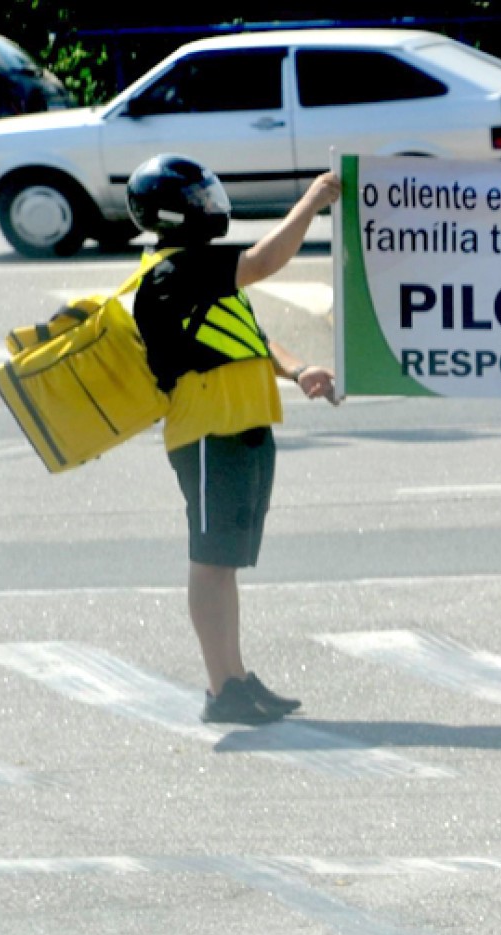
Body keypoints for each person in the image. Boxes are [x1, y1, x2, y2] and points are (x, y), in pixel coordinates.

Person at [127, 155, 342, 725]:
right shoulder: (173, 271)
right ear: (172, 214)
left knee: (225, 564)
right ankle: (221, 688)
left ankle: (236, 678)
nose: (210, 206)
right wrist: (313, 201)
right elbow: (266, 260)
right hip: (206, 435)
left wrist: (299, 372)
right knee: (210, 561)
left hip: (242, 429)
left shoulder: (201, 271)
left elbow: (252, 339)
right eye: (197, 199)